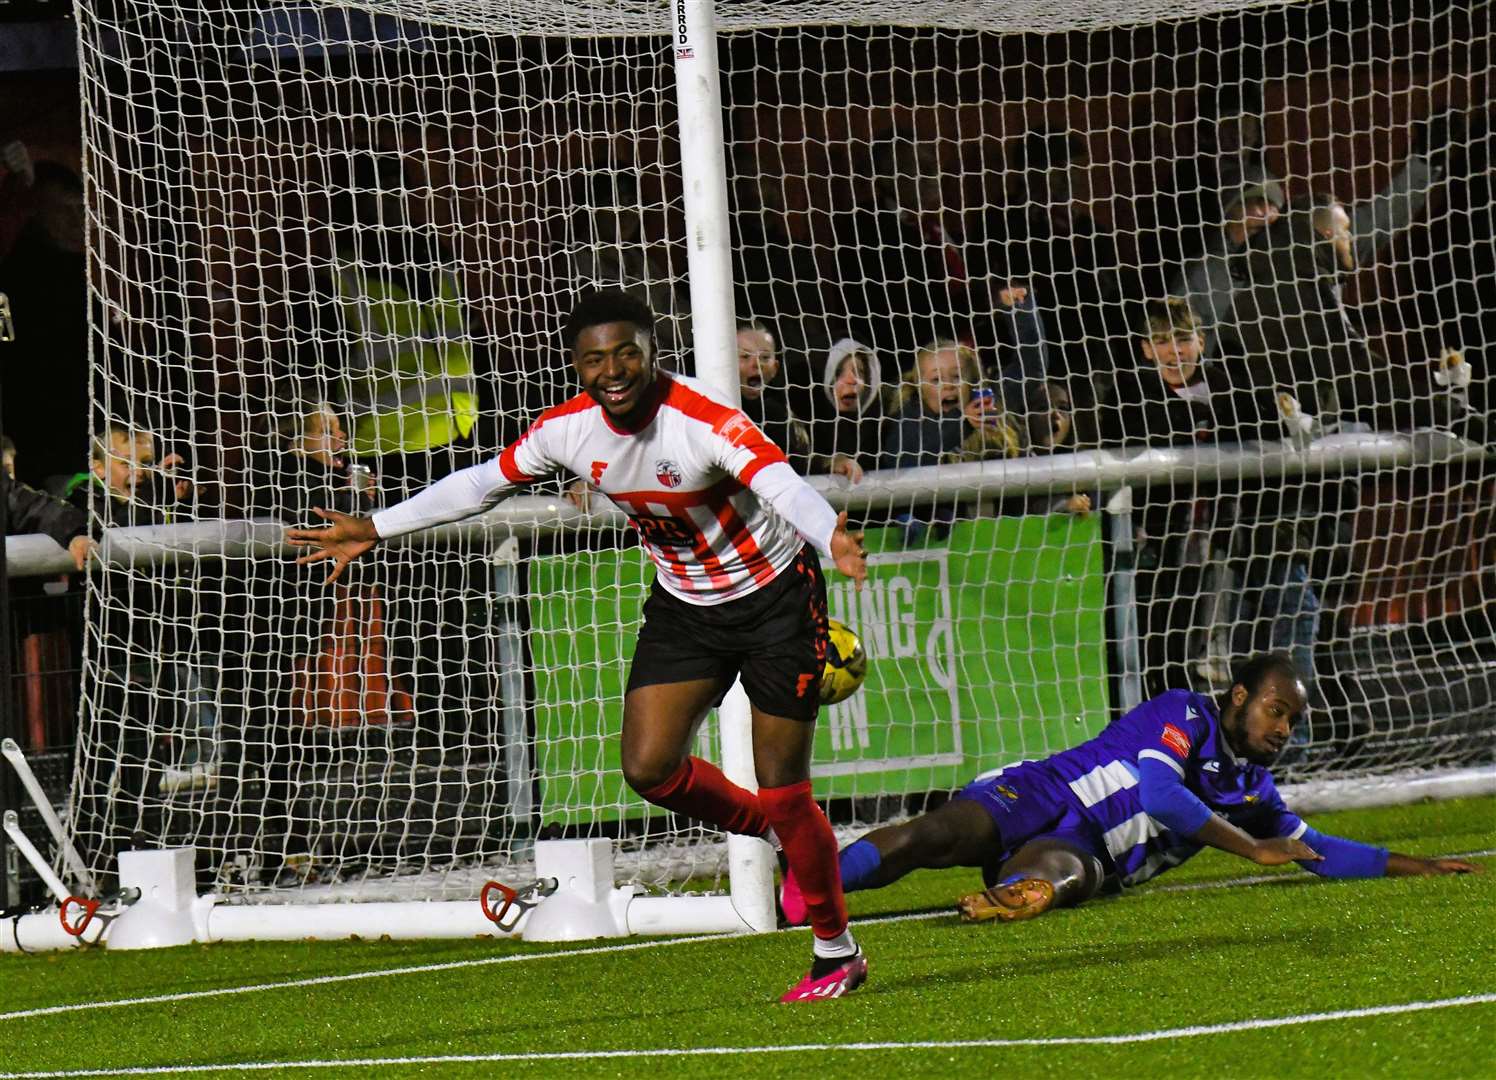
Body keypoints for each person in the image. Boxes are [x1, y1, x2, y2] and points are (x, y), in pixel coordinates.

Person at [287, 289, 872, 1002]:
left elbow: (776, 479)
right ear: (576, 365)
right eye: (595, 358)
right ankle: (787, 840)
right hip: (687, 606)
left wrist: (828, 533)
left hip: (777, 599)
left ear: (653, 352)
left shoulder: (702, 421)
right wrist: (376, 527)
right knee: (650, 769)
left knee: (786, 788)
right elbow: (481, 484)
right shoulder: (566, 431)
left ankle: (834, 950)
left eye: (627, 351)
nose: (613, 369)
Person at [780, 654, 1479, 926]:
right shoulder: (1185, 711)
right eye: (1276, 711)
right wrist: (1248, 848)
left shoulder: (1254, 789)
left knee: (1069, 876)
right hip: (1045, 792)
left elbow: (1315, 849)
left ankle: (1019, 893)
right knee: (930, 838)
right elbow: (1161, 798)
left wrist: (1415, 865)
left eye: (1294, 721)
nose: (1284, 728)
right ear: (1240, 697)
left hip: (1080, 848)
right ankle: (803, 887)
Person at [801, 338, 885, 482]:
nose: (851, 379)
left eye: (860, 372)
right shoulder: (803, 430)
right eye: (839, 372)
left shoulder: (884, 429)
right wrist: (827, 462)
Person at [735, 320, 811, 472]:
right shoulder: (711, 409)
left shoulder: (782, 414)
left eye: (764, 357)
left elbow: (800, 464)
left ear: (775, 368)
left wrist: (827, 463)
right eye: (744, 356)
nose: (757, 363)